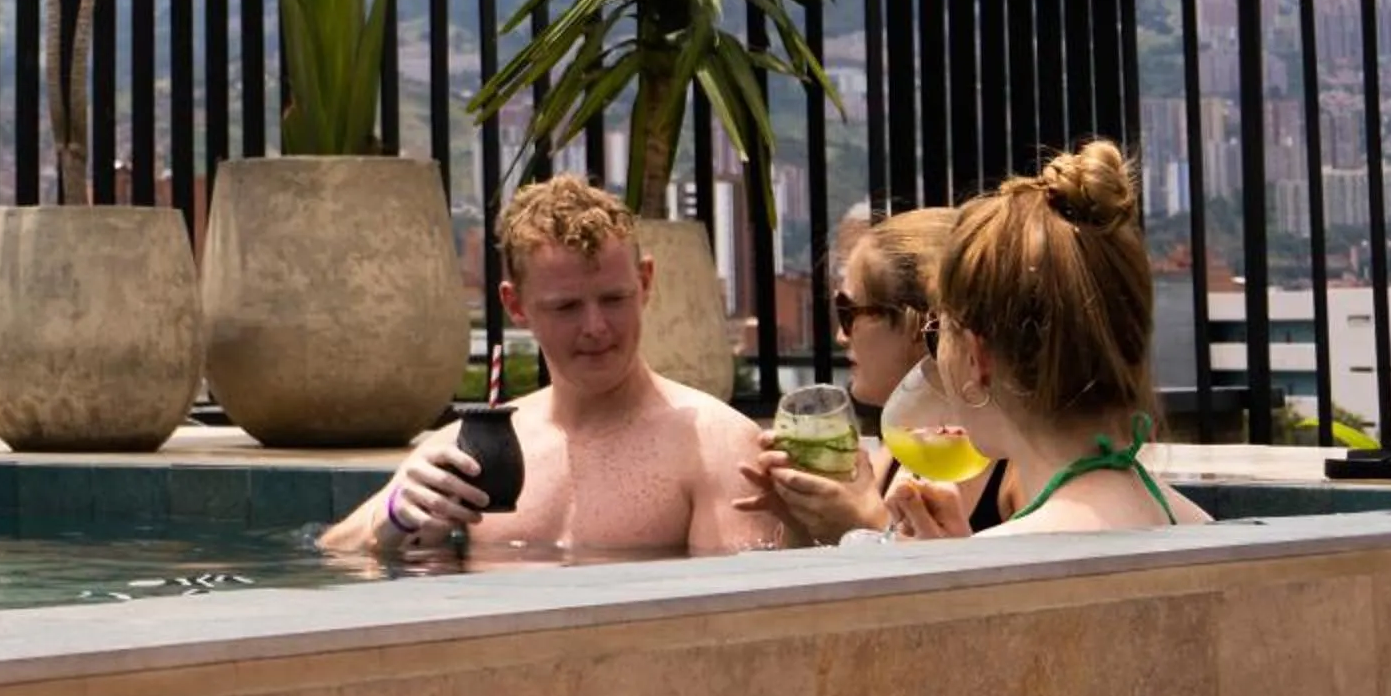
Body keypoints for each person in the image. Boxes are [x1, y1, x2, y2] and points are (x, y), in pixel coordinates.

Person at [321, 176, 779, 559]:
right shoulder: (470, 451)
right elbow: (333, 557)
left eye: (614, 299)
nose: (595, 327)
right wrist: (392, 517)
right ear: (515, 305)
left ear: (644, 282)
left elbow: (744, 614)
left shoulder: (714, 446)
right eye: (566, 307)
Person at [887, 141, 1211, 539]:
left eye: (938, 333)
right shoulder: (1199, 524)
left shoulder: (1004, 555)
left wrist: (957, 568)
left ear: (977, 356)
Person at [737, 206, 1020, 542]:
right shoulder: (899, 454)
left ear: (917, 323)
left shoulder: (1017, 469)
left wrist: (866, 523)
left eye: (848, 312)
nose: (840, 336)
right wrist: (803, 522)